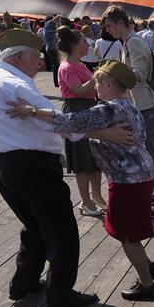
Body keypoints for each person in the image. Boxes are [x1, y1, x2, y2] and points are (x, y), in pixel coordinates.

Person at [0, 29, 128, 307]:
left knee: (34, 226)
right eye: (35, 58)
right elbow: (63, 122)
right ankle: (60, 297)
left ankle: (22, 285)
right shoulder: (16, 85)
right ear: (19, 56)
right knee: (61, 231)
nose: (39, 63)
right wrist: (105, 133)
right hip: (32, 166)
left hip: (3, 166)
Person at [9, 60, 154, 300]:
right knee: (127, 228)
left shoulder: (107, 109)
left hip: (128, 179)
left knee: (127, 235)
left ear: (109, 83)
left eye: (98, 82)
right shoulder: (128, 106)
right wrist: (102, 134)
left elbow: (70, 122)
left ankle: (147, 284)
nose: (94, 87)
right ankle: (148, 266)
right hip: (137, 174)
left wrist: (32, 111)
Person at [102, 5, 154, 218]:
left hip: (142, 104)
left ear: (121, 23)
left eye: (109, 26)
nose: (108, 30)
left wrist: (115, 73)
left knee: (149, 153)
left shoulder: (133, 42)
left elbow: (140, 74)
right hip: (141, 103)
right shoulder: (130, 42)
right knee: (146, 151)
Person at [56, 26, 107, 217]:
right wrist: (96, 76)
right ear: (75, 45)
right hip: (77, 112)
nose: (88, 44)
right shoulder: (67, 66)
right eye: (85, 41)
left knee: (93, 158)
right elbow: (79, 90)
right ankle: (86, 202)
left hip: (87, 110)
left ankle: (96, 197)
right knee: (81, 161)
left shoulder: (79, 63)